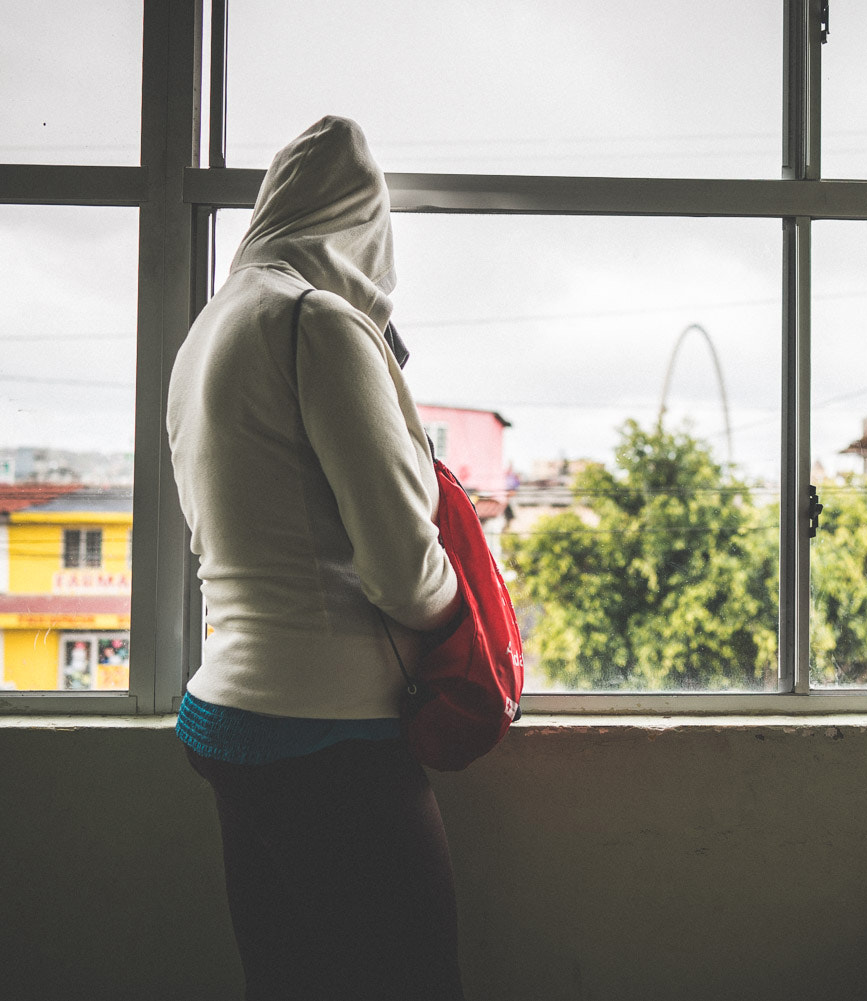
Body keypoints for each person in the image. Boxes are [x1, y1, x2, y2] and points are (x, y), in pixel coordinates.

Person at [166, 116, 464, 1001]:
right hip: (330, 736)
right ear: (366, 231)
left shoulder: (204, 335)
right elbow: (404, 569)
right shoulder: (317, 321)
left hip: (227, 718)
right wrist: (466, 619)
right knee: (415, 981)